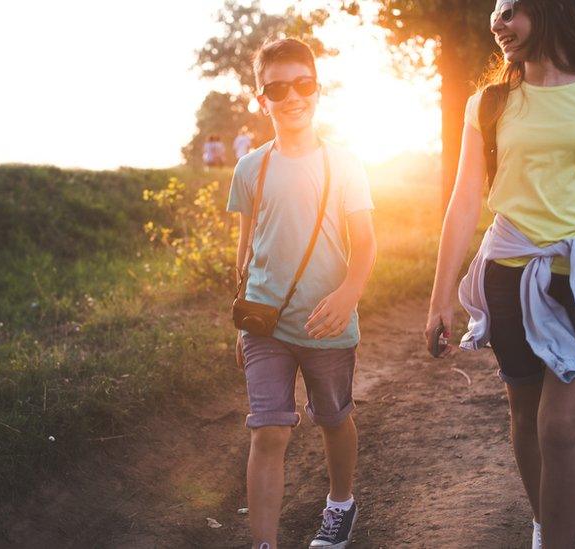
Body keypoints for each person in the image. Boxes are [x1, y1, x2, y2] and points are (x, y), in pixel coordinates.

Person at [424, 1, 575, 548]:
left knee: (560, 426)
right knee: (525, 411)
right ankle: (543, 525)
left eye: (509, 11)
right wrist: (442, 296)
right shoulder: (489, 103)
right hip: (507, 276)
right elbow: (464, 204)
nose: (496, 22)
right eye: (493, 12)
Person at [227, 38, 377, 549]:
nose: (292, 96)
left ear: (319, 89)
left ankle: (340, 504)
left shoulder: (345, 164)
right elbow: (246, 254)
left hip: (327, 323)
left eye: (303, 83)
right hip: (267, 325)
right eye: (277, 87)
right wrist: (244, 323)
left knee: (333, 419)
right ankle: (264, 544)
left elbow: (367, 246)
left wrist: (347, 296)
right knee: (268, 431)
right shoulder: (249, 168)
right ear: (260, 96)